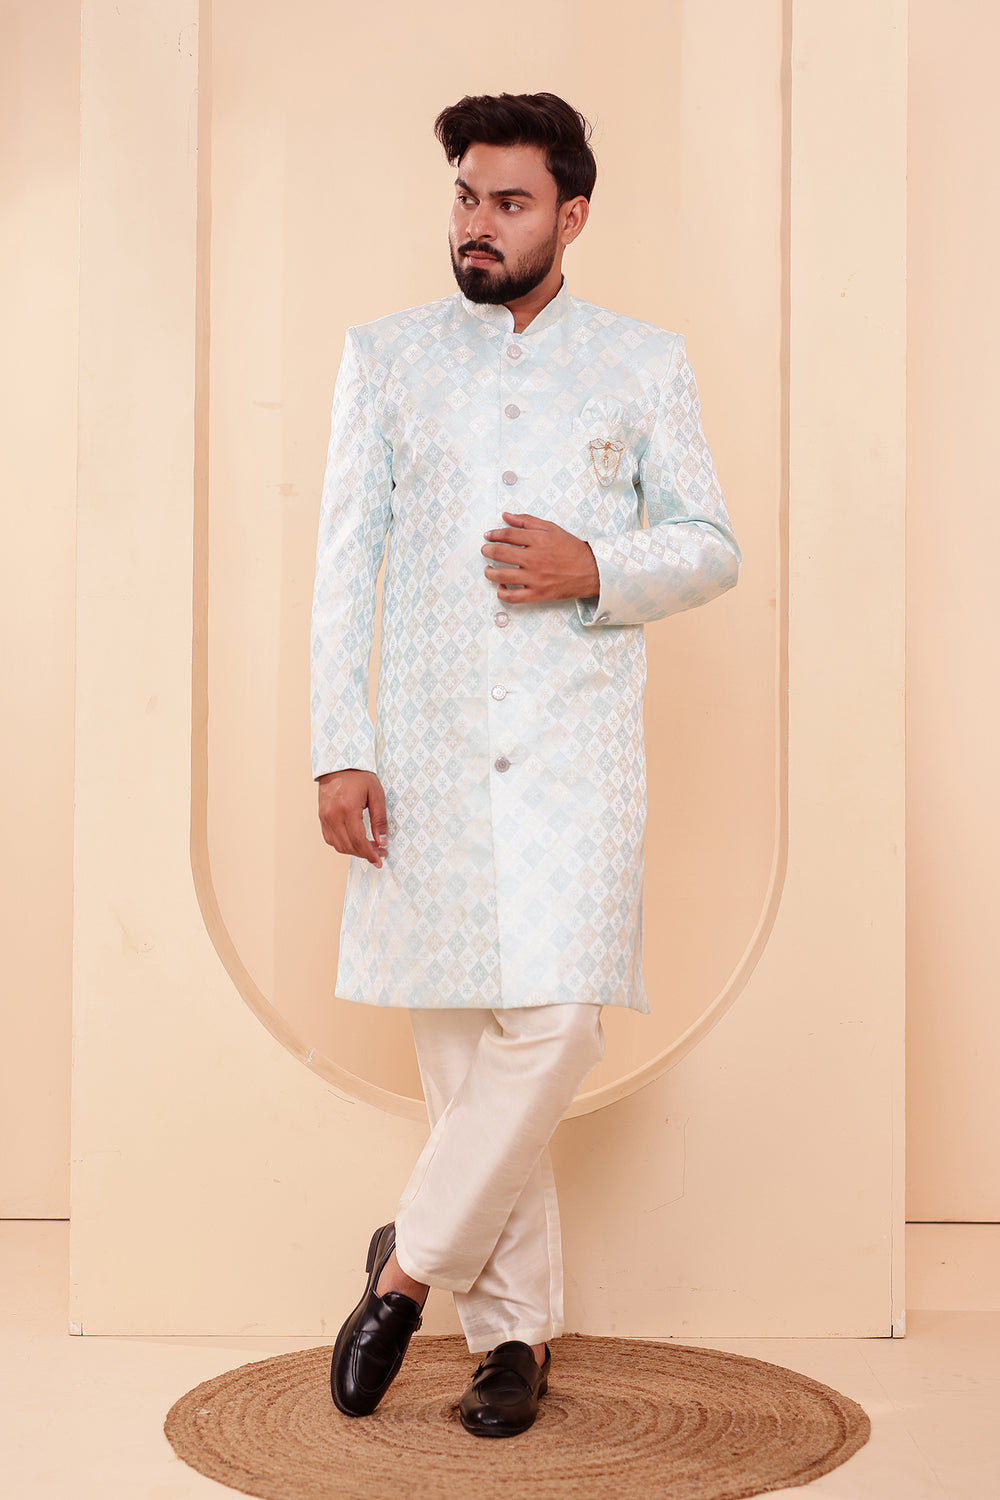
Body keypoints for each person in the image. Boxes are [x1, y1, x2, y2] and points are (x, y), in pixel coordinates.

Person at [311, 91, 741, 1437]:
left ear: (573, 214)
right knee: (463, 1063)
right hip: (425, 757)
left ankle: (403, 1271)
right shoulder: (386, 358)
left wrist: (597, 564)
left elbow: (711, 543)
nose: (477, 224)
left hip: (575, 756)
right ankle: (512, 1344)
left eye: (508, 202)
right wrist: (339, 748)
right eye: (465, 196)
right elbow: (343, 571)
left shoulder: (642, 363)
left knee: (555, 1029)